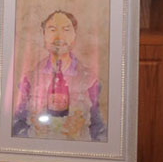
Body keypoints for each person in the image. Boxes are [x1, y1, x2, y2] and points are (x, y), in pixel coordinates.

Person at [12, 10, 107, 142]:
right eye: (52, 30)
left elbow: (101, 130)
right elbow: (16, 127)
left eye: (66, 30)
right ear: (44, 36)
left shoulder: (90, 80)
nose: (59, 37)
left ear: (75, 36)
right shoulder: (30, 79)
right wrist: (33, 131)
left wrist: (80, 132)